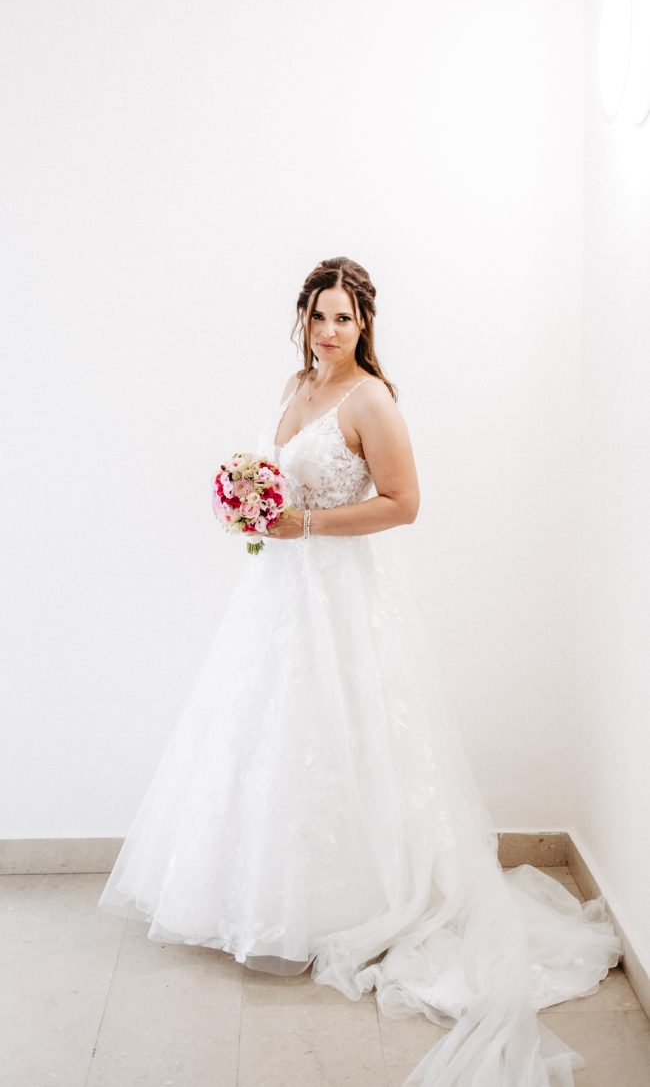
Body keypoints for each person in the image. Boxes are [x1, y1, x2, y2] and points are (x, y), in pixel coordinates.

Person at [98, 256, 623, 1086]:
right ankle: (256, 899)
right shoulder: (294, 386)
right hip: (278, 593)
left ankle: (353, 902)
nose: (332, 331)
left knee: (346, 733)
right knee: (266, 732)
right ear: (303, 321)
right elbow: (277, 478)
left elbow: (403, 501)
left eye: (345, 318)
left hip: (339, 593)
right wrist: (248, 499)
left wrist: (303, 522)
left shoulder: (372, 400)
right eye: (320, 316)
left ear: (365, 324)